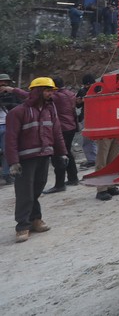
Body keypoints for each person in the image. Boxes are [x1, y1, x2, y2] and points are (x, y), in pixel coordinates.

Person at [5, 77, 68, 243]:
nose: (50, 94)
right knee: (25, 193)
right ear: (37, 91)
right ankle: (22, 227)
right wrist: (13, 162)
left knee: (37, 189)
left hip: (44, 155)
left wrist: (62, 153)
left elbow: (57, 132)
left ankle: (35, 219)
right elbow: (10, 139)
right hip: (26, 159)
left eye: (51, 91)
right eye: (47, 91)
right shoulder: (17, 112)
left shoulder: (49, 110)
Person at [42, 77, 80, 194]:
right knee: (67, 152)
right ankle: (73, 178)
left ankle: (59, 184)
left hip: (62, 128)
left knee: (58, 155)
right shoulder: (70, 93)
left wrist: (13, 90)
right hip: (71, 126)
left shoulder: (57, 97)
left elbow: (34, 97)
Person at [1, 73, 27, 185]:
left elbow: (21, 106)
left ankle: (7, 174)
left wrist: (8, 104)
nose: (3, 84)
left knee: (8, 151)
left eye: (5, 82)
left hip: (7, 125)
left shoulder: (13, 94)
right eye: (1, 82)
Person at [76, 75, 97, 168]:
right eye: (85, 85)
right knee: (88, 140)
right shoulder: (82, 91)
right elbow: (78, 104)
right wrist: (80, 101)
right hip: (86, 117)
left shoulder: (99, 88)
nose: (87, 87)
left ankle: (95, 159)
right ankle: (92, 159)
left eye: (88, 85)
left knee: (96, 140)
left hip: (96, 116)